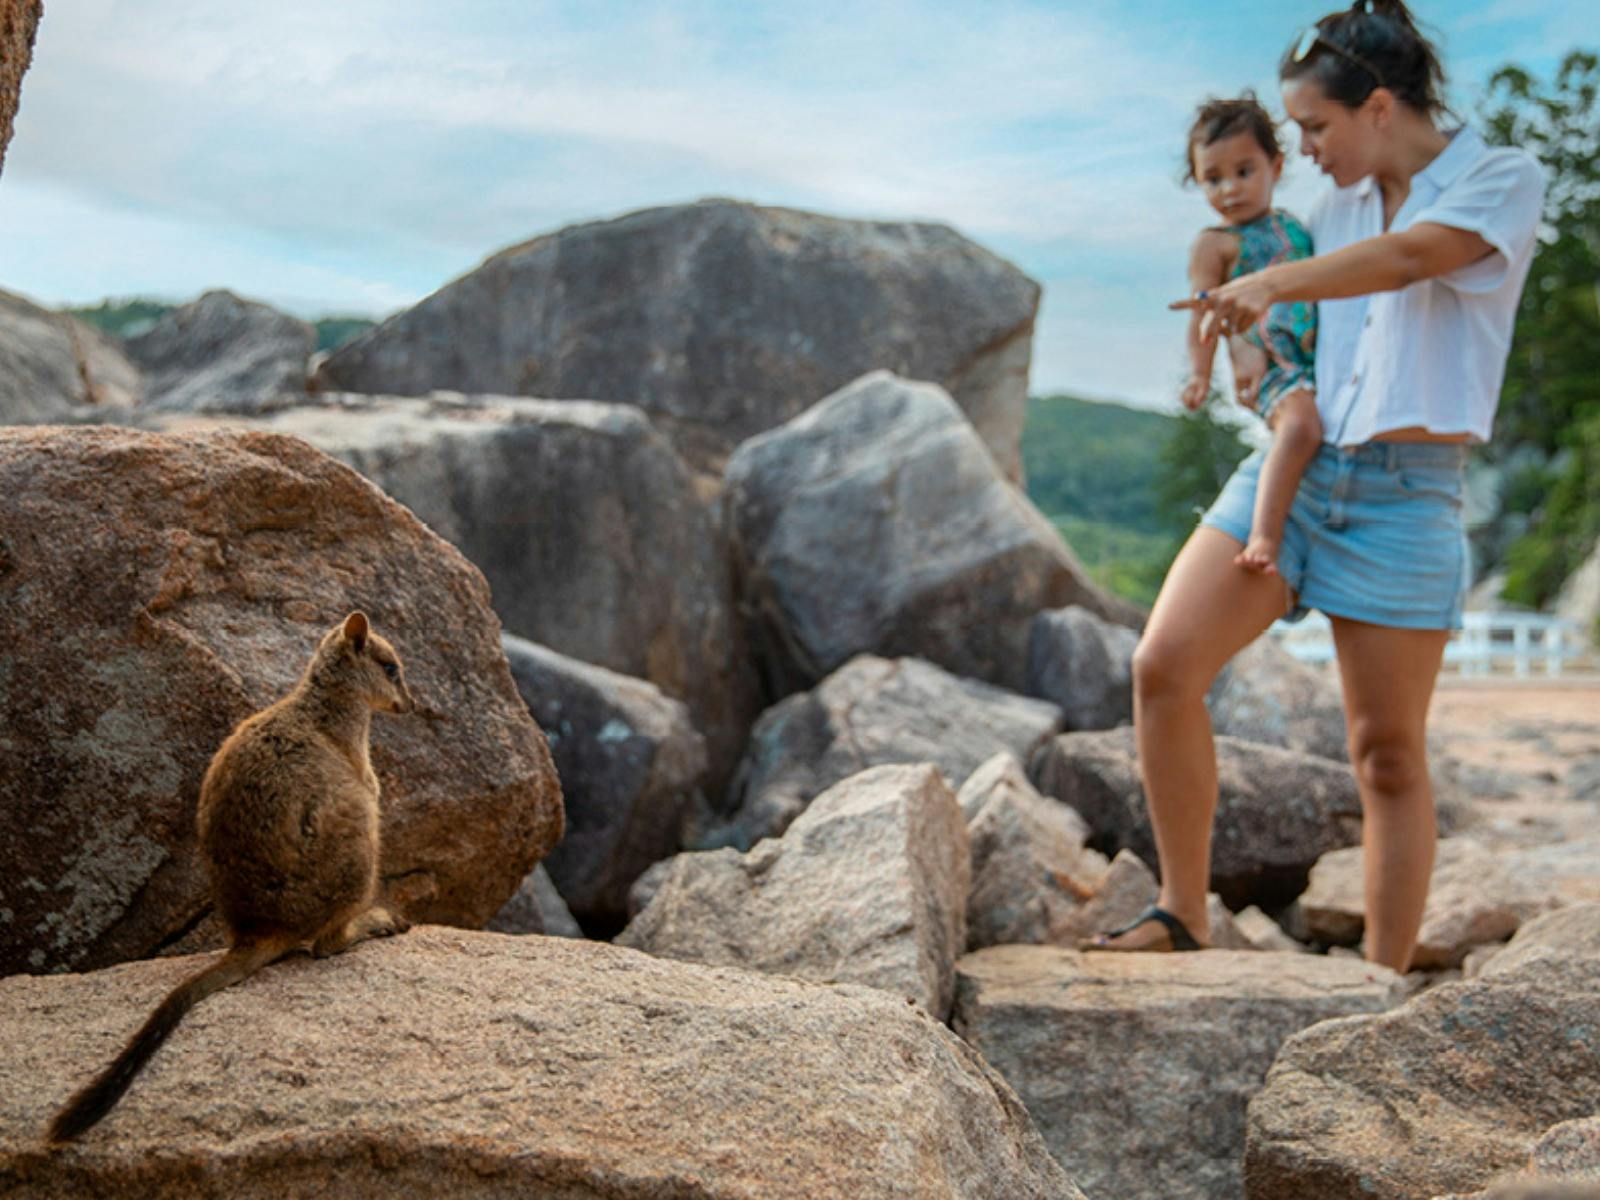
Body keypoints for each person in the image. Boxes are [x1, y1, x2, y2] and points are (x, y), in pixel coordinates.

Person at [1083, 0, 1545, 972]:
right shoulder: (1322, 200)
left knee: (1385, 755)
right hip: (1300, 466)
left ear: (1378, 107)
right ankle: (1181, 908)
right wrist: (1243, 347)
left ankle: (1378, 987)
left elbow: (1415, 258)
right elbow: (1256, 274)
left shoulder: (1499, 178)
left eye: (1315, 128)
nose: (1303, 149)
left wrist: (1276, 288)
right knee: (1162, 667)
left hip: (1408, 492)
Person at [1181, 95, 1321, 575]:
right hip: (1270, 363)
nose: (1229, 190)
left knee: (1311, 430)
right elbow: (1202, 315)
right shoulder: (1215, 244)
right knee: (1301, 428)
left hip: (1315, 358)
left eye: (1244, 172)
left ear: (1275, 166)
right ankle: (1264, 533)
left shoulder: (1295, 226)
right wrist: (1199, 375)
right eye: (1213, 178)